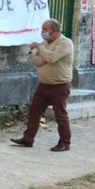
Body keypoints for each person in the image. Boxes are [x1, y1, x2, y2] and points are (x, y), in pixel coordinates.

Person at [11, 19, 74, 152]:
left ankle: (65, 142)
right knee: (35, 112)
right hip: (44, 84)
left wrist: (40, 48)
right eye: (42, 29)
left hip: (60, 85)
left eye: (46, 29)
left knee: (60, 115)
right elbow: (38, 62)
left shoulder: (65, 43)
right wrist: (38, 52)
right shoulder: (45, 43)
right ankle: (28, 139)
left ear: (55, 30)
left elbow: (51, 58)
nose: (43, 32)